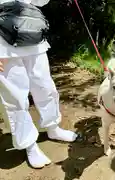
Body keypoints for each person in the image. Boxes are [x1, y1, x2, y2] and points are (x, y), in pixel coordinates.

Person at [0, 0, 78, 169]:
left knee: (45, 87)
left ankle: (53, 127)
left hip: (32, 34)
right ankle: (29, 145)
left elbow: (40, 1)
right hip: (2, 45)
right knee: (16, 99)